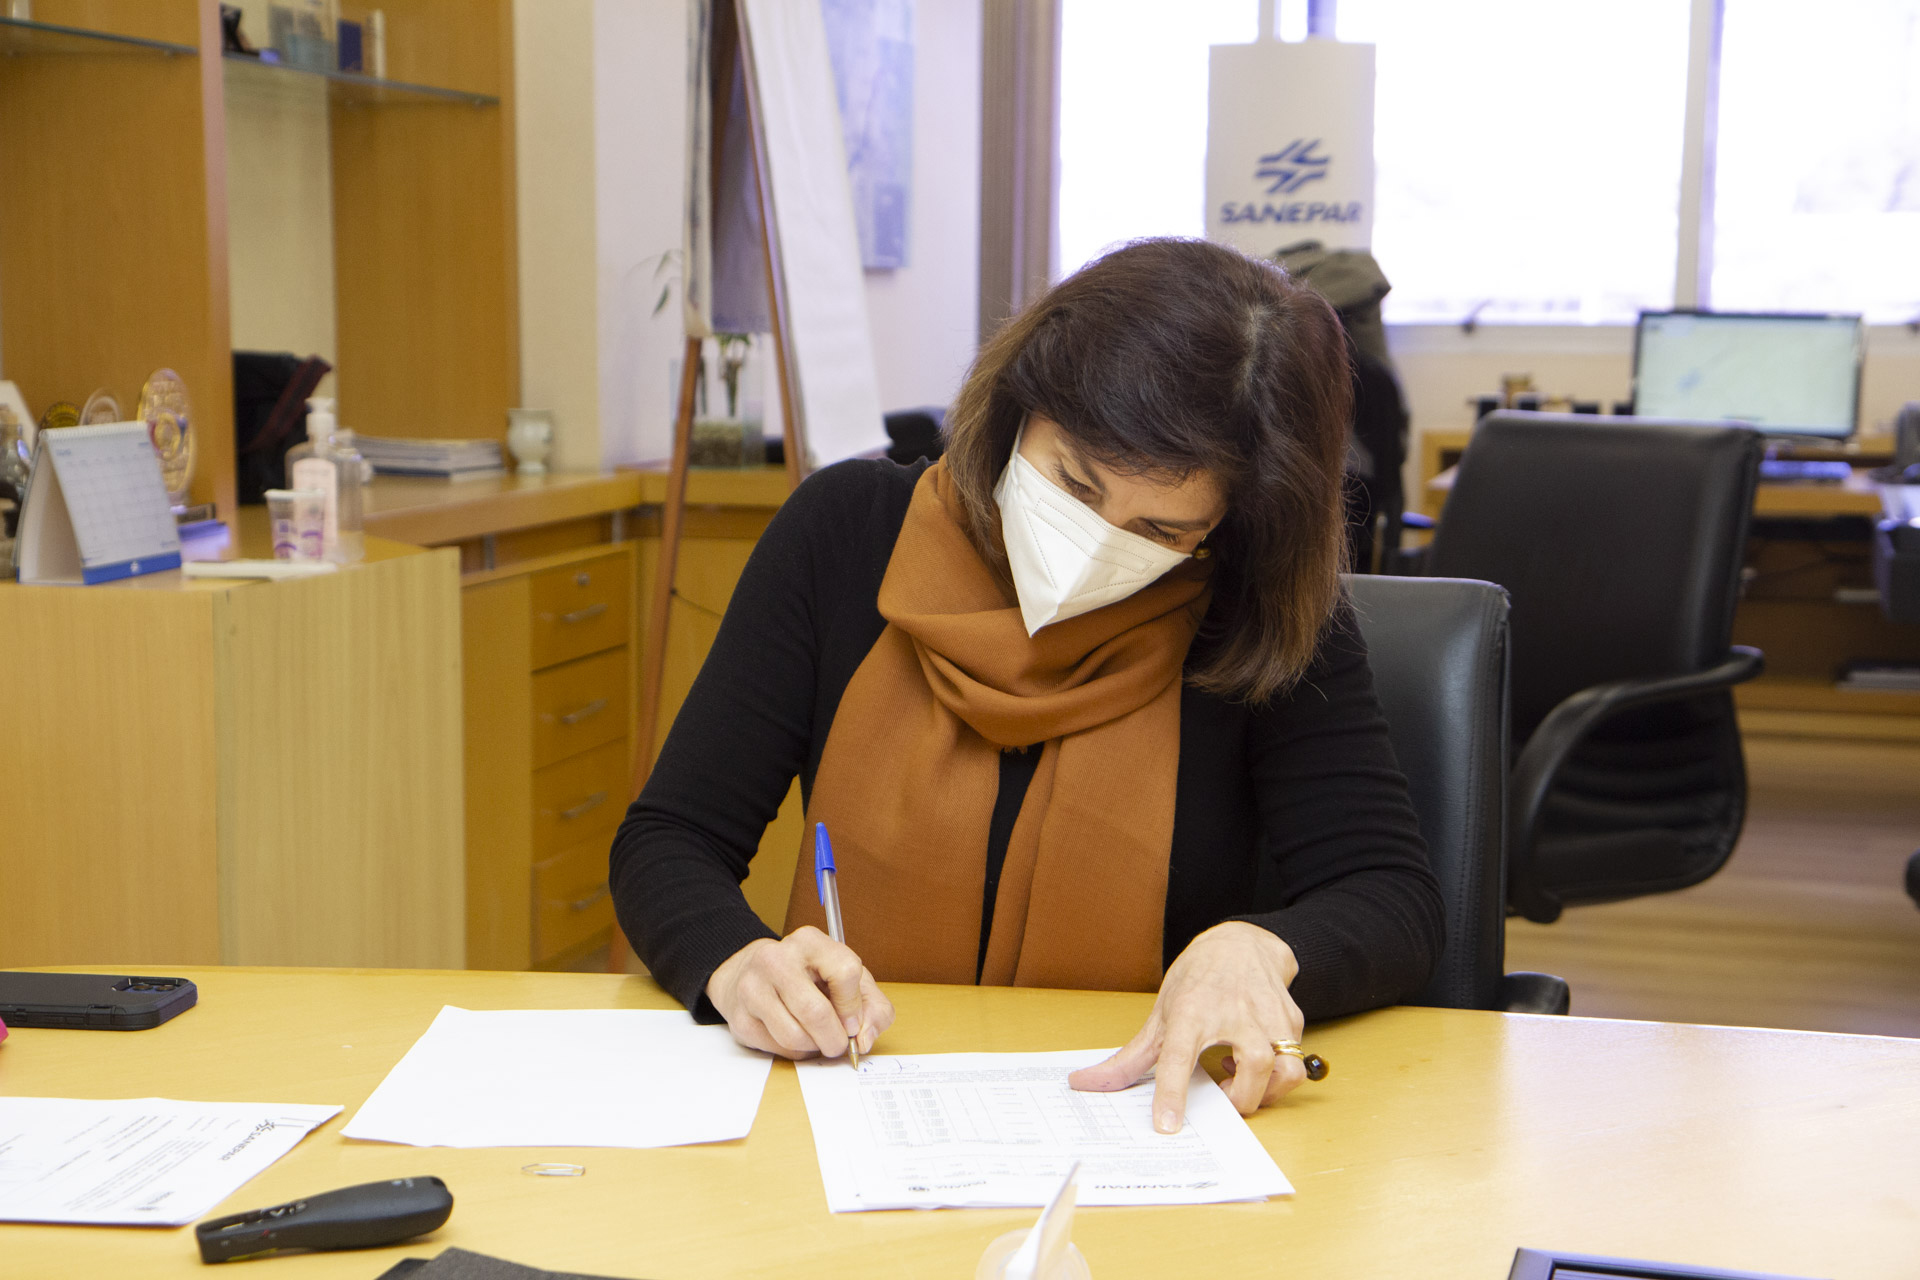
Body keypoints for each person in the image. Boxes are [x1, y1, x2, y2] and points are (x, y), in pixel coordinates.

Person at [611, 237, 1444, 1134]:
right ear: (1017, 413)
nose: (1095, 544)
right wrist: (735, 961)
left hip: (1139, 1121)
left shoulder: (1261, 612)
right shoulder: (845, 537)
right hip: (848, 1102)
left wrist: (1262, 948)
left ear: (1231, 525)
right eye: (1073, 484)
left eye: (1161, 529)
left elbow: (1392, 897)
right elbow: (671, 837)